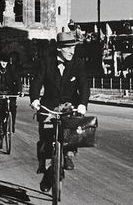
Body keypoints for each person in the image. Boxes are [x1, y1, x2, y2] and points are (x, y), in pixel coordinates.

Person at [29, 31, 90, 193]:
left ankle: (69, 154)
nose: (72, 51)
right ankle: (46, 167)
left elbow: (84, 86)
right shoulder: (46, 63)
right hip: (49, 107)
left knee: (72, 133)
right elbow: (36, 83)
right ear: (59, 49)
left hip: (70, 107)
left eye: (73, 48)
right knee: (45, 140)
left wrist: (83, 104)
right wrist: (34, 100)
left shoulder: (77, 64)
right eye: (68, 48)